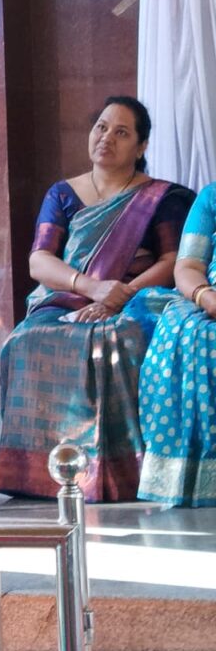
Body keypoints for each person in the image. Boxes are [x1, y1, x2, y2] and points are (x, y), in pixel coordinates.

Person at [0, 96, 194, 502]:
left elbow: (173, 260)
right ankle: (36, 473)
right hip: (69, 298)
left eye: (122, 132)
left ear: (141, 146)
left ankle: (126, 473)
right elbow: (39, 260)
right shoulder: (62, 194)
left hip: (138, 298)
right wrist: (91, 287)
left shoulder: (162, 197)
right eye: (101, 127)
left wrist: (119, 296)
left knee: (117, 340)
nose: (106, 138)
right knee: (25, 340)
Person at [137, 184, 216, 507]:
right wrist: (206, 297)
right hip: (209, 298)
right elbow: (188, 266)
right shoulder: (212, 197)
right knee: (194, 334)